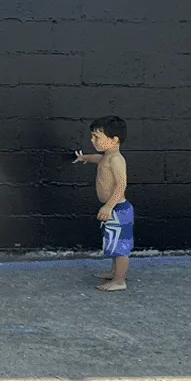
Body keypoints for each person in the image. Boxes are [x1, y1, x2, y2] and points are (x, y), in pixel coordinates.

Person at [73, 116, 133, 292]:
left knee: (121, 247)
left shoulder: (116, 159)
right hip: (114, 209)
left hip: (118, 210)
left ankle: (120, 280)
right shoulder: (107, 156)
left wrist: (108, 206)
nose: (92, 140)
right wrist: (85, 158)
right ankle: (115, 272)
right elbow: (98, 159)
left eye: (97, 137)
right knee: (113, 243)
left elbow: (121, 185)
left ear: (114, 140)